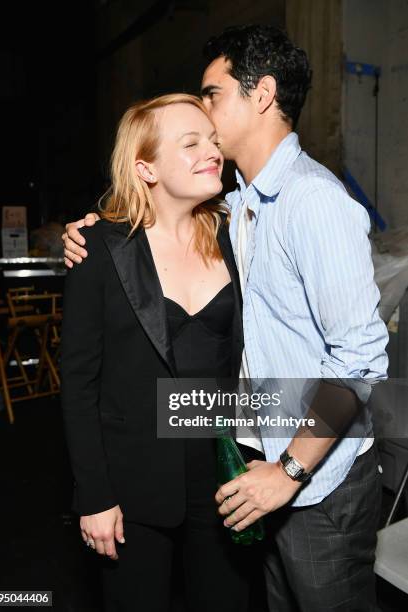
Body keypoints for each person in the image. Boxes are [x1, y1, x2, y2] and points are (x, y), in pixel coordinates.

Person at [63, 25, 389, 612]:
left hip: (315, 478)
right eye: (192, 136)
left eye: (212, 95)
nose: (208, 122)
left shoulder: (311, 202)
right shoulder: (238, 208)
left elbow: (361, 360)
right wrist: (92, 227)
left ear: (261, 94)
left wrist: (288, 470)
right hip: (248, 468)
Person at [60, 93, 261, 612]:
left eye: (213, 141)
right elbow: (79, 386)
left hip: (225, 478)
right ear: (144, 167)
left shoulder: (234, 231)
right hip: (132, 489)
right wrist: (94, 496)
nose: (212, 151)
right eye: (190, 142)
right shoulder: (99, 248)